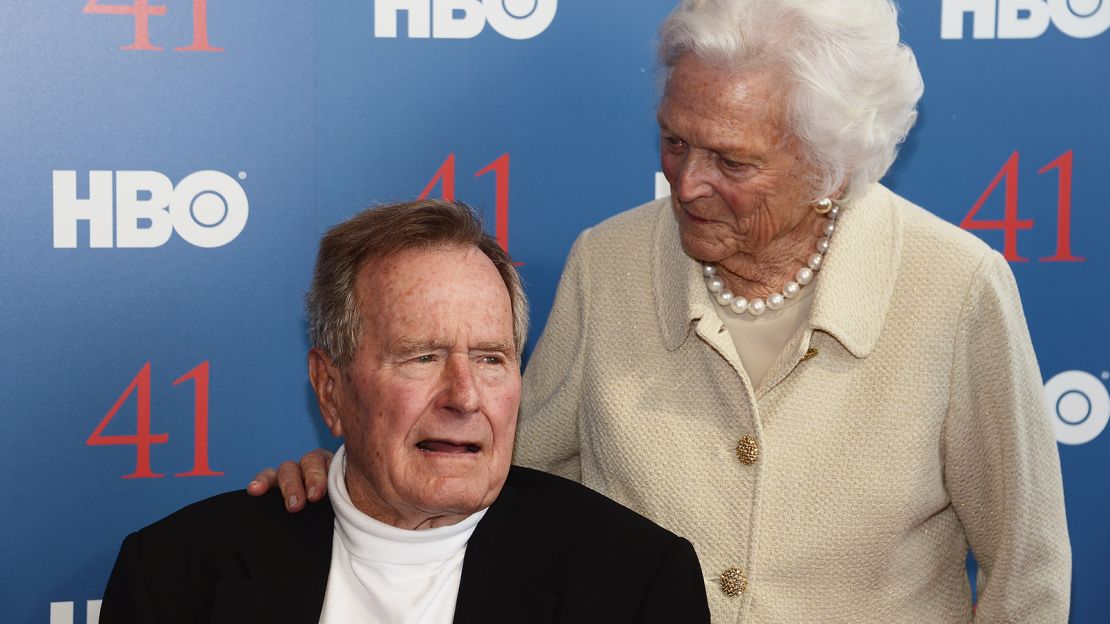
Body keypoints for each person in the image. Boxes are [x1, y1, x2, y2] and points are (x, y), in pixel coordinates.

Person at [252, 1, 1072, 621]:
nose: (686, 182)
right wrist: (359, 480)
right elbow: (497, 466)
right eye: (675, 141)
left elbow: (1026, 570)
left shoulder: (955, 287)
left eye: (732, 160)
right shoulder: (608, 264)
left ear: (832, 163)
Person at [99, 200, 710, 624]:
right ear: (330, 388)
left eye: (492, 358)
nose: (464, 395)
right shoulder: (175, 576)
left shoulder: (632, 580)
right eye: (421, 357)